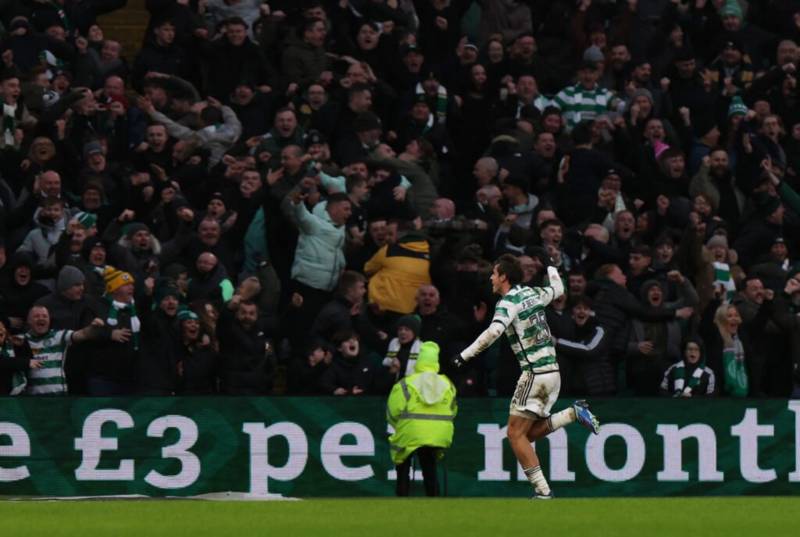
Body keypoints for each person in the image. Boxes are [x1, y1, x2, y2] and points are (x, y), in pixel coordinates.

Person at [452, 254, 599, 499]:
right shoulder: (532, 294)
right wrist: (552, 266)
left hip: (535, 373)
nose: (491, 277)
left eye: (494, 273)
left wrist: (464, 356)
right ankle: (572, 413)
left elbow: (493, 332)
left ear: (504, 277)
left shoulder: (508, 303)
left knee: (513, 434)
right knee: (526, 434)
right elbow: (558, 289)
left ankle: (543, 492)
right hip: (553, 373)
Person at [387, 341, 456, 497]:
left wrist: (399, 425)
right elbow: (453, 411)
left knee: (403, 461)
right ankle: (434, 497)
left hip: (410, 433)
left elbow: (393, 410)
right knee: (429, 463)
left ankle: (402, 495)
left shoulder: (406, 383)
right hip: (440, 435)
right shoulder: (447, 384)